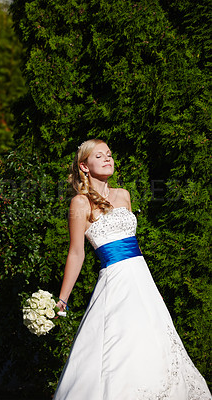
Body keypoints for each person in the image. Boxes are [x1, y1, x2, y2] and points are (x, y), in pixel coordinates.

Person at [54, 139, 211, 400]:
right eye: (99, 156)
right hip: (115, 284)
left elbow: (133, 246)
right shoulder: (80, 204)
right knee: (120, 348)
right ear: (84, 165)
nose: (108, 159)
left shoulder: (124, 195)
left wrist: (152, 287)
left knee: (155, 344)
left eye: (110, 155)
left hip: (142, 281)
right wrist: (62, 299)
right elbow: (76, 253)